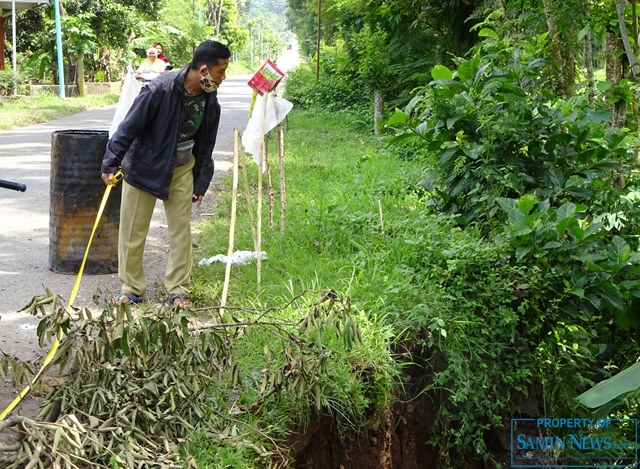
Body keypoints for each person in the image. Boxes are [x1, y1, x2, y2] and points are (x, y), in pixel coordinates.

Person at [101, 39, 231, 308]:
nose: (223, 77)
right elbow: (129, 127)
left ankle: (178, 288)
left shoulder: (209, 97)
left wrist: (201, 181)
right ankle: (131, 288)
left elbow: (206, 143)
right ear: (204, 69)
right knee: (132, 231)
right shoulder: (159, 90)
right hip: (144, 167)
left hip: (182, 168)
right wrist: (110, 163)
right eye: (220, 71)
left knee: (181, 230)